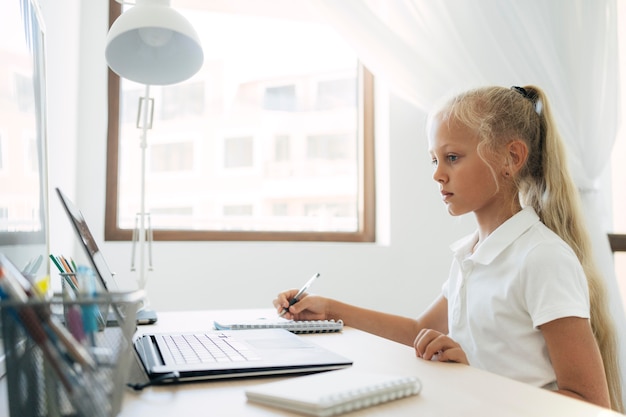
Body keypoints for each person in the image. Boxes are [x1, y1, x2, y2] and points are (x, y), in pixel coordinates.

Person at [273, 85, 623, 412]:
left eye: (452, 157)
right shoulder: (472, 254)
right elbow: (419, 331)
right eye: (434, 160)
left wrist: (473, 379)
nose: (438, 174)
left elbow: (588, 404)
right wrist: (330, 309)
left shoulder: (541, 259)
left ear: (511, 158)